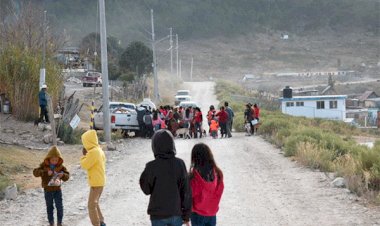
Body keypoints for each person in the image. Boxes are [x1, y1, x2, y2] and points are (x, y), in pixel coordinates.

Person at [140, 130, 192, 226]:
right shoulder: (180, 164)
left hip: (157, 215)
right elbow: (186, 191)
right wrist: (186, 215)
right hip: (176, 212)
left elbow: (146, 190)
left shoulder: (151, 166)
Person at [33, 146, 70, 226]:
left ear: (59, 160)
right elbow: (35, 172)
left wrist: (62, 175)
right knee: (49, 207)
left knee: (59, 206)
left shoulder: (61, 167)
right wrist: (45, 172)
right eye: (52, 160)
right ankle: (51, 223)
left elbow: (67, 176)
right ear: (48, 159)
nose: (54, 162)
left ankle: (59, 223)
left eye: (56, 160)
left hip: (57, 190)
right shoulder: (43, 166)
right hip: (47, 190)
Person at [189, 143, 224, 226]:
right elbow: (220, 191)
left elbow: (190, 194)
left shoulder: (194, 176)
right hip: (212, 214)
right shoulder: (217, 173)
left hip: (197, 214)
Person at [80, 130, 107, 226]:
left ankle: (97, 224)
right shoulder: (99, 149)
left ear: (88, 141)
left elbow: (84, 165)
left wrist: (83, 156)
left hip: (96, 183)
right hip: (100, 181)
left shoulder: (93, 152)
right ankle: (101, 221)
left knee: (91, 206)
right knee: (95, 203)